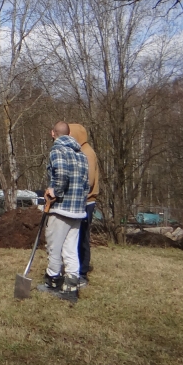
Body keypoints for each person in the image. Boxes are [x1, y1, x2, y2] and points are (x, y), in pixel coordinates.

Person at [38, 121, 89, 299]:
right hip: (77, 210)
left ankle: (53, 280)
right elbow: (85, 183)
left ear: (53, 133)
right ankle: (71, 287)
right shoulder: (80, 154)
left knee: (54, 246)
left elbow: (61, 175)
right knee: (70, 249)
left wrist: (53, 192)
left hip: (61, 209)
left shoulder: (57, 150)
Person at [68, 123, 98, 289]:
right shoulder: (79, 151)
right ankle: (75, 270)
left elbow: (89, 180)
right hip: (79, 201)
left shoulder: (87, 153)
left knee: (83, 238)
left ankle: (82, 273)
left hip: (86, 202)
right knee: (76, 237)